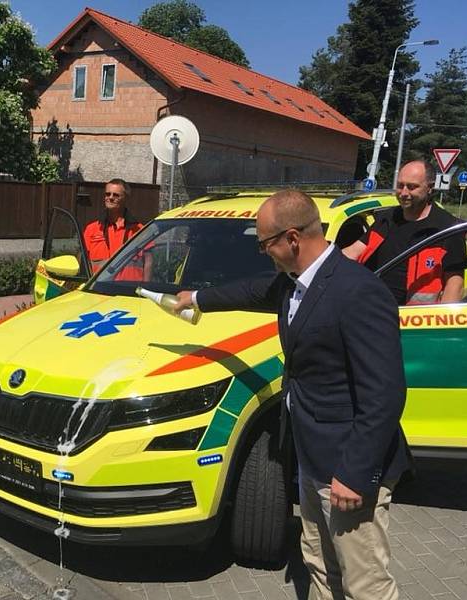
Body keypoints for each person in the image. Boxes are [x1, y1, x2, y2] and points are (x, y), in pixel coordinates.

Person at [174, 190, 411, 600]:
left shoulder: (357, 291)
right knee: (319, 563)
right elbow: (249, 292)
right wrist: (194, 299)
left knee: (364, 582)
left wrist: (354, 473)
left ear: (292, 239)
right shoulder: (294, 285)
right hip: (312, 457)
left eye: (266, 244)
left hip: (348, 468)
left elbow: (384, 394)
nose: (264, 253)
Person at [343, 160, 467, 305]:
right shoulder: (387, 218)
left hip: (416, 321)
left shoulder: (448, 228)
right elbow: (354, 252)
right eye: (400, 185)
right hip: (375, 311)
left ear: (430, 188)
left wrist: (442, 324)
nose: (403, 193)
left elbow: (455, 285)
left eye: (412, 187)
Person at [83, 178, 151, 280]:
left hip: (129, 291)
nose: (110, 198)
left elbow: (148, 263)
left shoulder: (140, 230)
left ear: (126, 198)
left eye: (116, 195)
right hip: (99, 291)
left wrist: (145, 290)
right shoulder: (91, 229)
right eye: (107, 194)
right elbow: (82, 264)